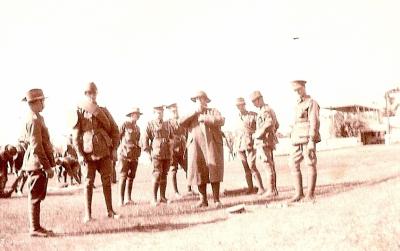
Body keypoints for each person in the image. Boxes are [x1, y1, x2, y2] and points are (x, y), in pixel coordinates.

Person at [71, 82, 120, 223]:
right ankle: (88, 215)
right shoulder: (79, 111)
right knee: (88, 183)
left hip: (104, 151)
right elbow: (75, 136)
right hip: (87, 153)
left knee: (107, 180)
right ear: (85, 95)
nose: (92, 96)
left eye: (94, 93)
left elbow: (115, 130)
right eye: (89, 93)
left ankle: (110, 211)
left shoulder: (103, 111)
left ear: (97, 94)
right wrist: (80, 154)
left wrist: (115, 148)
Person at [180, 91, 225, 208]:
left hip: (211, 145)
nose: (200, 101)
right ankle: (203, 200)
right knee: (198, 171)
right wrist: (195, 112)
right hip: (195, 147)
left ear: (206, 100)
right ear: (195, 101)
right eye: (198, 99)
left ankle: (216, 200)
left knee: (214, 170)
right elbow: (181, 122)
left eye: (202, 99)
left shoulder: (213, 111)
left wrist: (206, 118)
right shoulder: (191, 114)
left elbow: (221, 120)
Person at [21, 88, 55, 237]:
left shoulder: (37, 117)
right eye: (42, 100)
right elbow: (36, 146)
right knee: (35, 196)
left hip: (37, 162)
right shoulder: (34, 120)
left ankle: (37, 227)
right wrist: (47, 166)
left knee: (38, 196)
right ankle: (34, 228)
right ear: (35, 102)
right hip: (36, 163)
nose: (43, 103)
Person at [288, 80, 320, 202]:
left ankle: (310, 194)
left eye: (299, 89)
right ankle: (298, 193)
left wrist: (312, 140)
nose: (297, 93)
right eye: (295, 91)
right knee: (292, 163)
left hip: (307, 139)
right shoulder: (297, 105)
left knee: (310, 163)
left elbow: (314, 122)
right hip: (296, 139)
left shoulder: (312, 103)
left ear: (304, 87)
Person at [250, 90, 280, 197]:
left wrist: (258, 134)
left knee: (267, 165)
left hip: (264, 142)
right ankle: (273, 190)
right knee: (270, 165)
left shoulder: (264, 111)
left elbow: (269, 123)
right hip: (268, 140)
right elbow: (277, 125)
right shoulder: (269, 109)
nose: (253, 104)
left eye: (254, 101)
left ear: (259, 99)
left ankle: (271, 190)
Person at [142, 105, 173, 206]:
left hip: (166, 153)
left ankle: (163, 197)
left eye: (162, 113)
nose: (160, 115)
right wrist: (148, 153)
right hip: (156, 153)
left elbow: (171, 137)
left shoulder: (168, 124)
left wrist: (171, 150)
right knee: (157, 174)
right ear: (154, 114)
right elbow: (145, 139)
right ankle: (154, 199)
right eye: (158, 113)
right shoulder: (150, 124)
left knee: (164, 174)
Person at [234, 97, 265, 195]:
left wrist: (256, 138)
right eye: (238, 106)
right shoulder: (237, 117)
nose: (240, 107)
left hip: (250, 143)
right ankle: (250, 188)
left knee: (252, 165)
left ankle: (261, 188)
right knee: (246, 167)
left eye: (241, 105)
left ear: (244, 105)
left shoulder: (253, 115)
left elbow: (260, 127)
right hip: (239, 144)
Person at [166, 103, 193, 198]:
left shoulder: (182, 121)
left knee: (188, 168)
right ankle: (176, 192)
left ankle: (189, 189)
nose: (175, 112)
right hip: (172, 149)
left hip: (183, 149)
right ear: (169, 112)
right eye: (173, 111)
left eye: (176, 110)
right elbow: (167, 137)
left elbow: (186, 134)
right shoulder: (168, 123)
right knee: (173, 169)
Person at [117, 107, 142, 206]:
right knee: (123, 176)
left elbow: (138, 141)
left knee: (131, 177)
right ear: (131, 115)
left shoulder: (138, 128)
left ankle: (128, 199)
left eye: (138, 114)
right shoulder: (125, 125)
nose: (137, 116)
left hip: (134, 156)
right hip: (124, 155)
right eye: (136, 114)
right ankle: (121, 201)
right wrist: (119, 150)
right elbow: (117, 137)